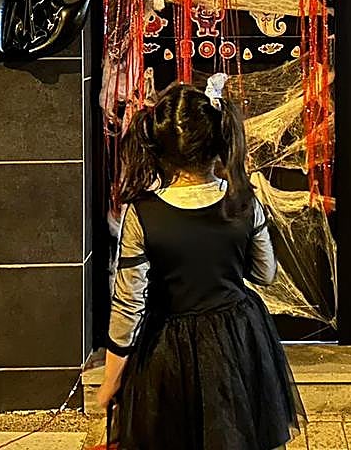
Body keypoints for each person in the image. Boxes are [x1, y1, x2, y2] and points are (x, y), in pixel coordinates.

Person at [97, 75, 304, 450]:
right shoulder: (245, 203)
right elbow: (266, 273)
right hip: (238, 338)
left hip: (166, 346)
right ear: (217, 143)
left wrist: (111, 378)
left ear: (159, 145)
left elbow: (128, 305)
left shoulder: (143, 214)